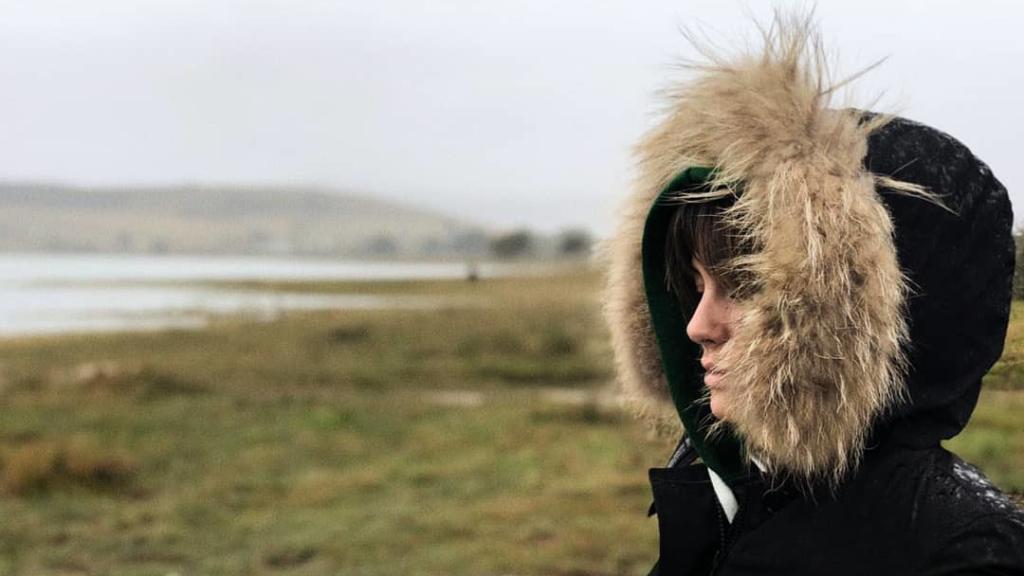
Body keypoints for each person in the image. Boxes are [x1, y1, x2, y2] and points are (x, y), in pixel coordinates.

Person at [602, 15, 1024, 575]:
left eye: (747, 284)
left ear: (866, 317)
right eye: (695, 286)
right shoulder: (731, 477)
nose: (696, 326)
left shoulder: (961, 552)